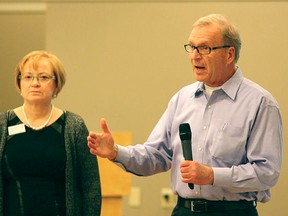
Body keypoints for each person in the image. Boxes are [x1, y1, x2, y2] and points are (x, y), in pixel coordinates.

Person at [87, 14, 282, 216]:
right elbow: (157, 154)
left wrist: (212, 175)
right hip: (183, 210)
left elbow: (266, 173)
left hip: (232, 211)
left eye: (205, 48)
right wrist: (116, 152)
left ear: (229, 54)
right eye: (191, 47)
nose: (195, 56)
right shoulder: (182, 99)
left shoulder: (260, 103)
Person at [0, 50, 102, 216]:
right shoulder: (2, 125)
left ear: (57, 85)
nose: (35, 83)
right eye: (27, 77)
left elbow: (91, 188)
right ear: (19, 83)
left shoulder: (73, 126)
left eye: (43, 77)